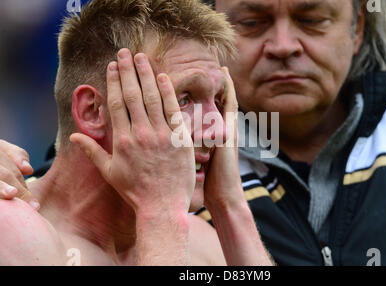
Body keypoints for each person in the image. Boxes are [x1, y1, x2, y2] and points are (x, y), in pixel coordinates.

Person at [0, 0, 272, 266]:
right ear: (94, 111)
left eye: (219, 101)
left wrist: (230, 208)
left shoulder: (203, 240)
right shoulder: (14, 228)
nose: (219, 130)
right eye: (185, 99)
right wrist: (159, 213)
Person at [189, 0, 386, 265]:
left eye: (312, 20)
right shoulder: (170, 164)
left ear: (357, 28)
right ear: (206, 32)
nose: (283, 46)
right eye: (252, 23)